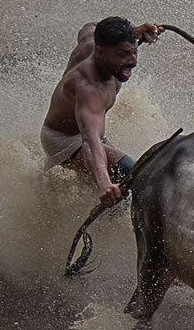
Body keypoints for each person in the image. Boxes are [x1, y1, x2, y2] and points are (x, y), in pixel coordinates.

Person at [41, 16, 163, 206]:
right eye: (123, 54)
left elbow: (89, 26)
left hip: (88, 133)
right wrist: (104, 183)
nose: (132, 61)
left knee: (124, 178)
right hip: (65, 140)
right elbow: (90, 140)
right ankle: (110, 221)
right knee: (131, 175)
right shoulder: (91, 87)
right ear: (100, 52)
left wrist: (135, 31)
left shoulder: (92, 39)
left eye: (134, 52)